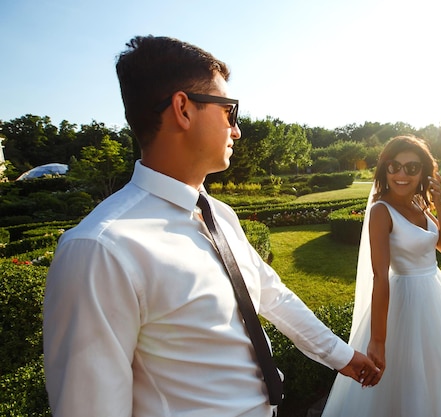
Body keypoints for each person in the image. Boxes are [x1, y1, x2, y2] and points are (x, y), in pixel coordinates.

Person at [43, 35, 380, 417]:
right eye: (229, 111)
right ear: (183, 109)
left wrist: (341, 356)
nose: (236, 130)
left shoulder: (219, 214)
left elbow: (269, 293)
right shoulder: (101, 249)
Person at [321, 135, 441, 416]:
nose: (401, 174)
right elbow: (380, 276)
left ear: (424, 173)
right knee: (406, 377)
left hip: (435, 297)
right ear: (385, 170)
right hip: (404, 302)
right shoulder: (382, 211)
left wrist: (438, 202)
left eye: (412, 168)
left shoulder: (420, 203)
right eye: (394, 166)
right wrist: (378, 340)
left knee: (439, 370)